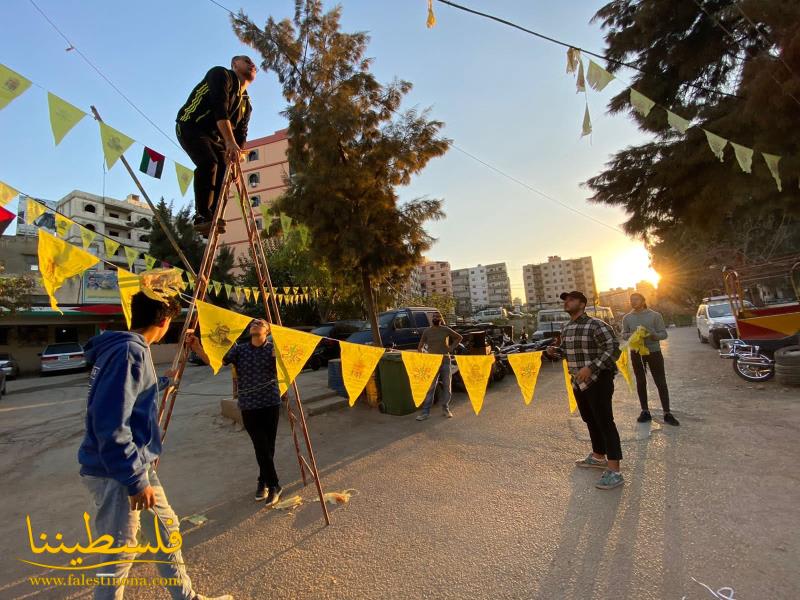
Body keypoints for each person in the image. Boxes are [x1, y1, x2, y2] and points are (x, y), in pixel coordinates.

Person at [78, 292, 231, 600]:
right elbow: (110, 423)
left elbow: (129, 395)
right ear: (164, 321)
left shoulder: (126, 348)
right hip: (119, 471)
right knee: (119, 554)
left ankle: (185, 596)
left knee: (166, 528)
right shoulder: (128, 351)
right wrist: (135, 481)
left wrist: (161, 383)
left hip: (136, 464)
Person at [187, 319, 283, 506]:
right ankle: (274, 485)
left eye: (260, 322)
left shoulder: (274, 350)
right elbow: (215, 362)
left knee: (268, 447)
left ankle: (262, 481)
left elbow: (291, 367)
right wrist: (197, 348)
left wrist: (279, 358)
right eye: (253, 323)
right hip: (248, 406)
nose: (255, 323)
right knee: (260, 446)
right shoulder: (239, 350)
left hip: (270, 403)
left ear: (268, 330)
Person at [547, 291, 624, 490]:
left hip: (598, 380)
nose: (566, 302)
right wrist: (555, 352)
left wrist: (591, 367)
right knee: (590, 419)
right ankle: (598, 456)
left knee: (605, 421)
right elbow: (567, 351)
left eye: (571, 299)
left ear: (582, 304)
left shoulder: (596, 325)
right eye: (565, 300)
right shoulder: (566, 328)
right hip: (577, 382)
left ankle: (614, 471)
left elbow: (614, 349)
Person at [176, 55, 257, 235]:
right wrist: (229, 142)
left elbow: (241, 134)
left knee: (225, 169)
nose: (252, 64)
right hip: (191, 125)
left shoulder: (246, 104)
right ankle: (202, 215)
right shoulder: (221, 74)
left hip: (216, 138)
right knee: (209, 162)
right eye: (246, 60)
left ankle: (214, 215)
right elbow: (220, 109)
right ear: (234, 64)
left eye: (253, 63)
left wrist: (236, 158)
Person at [622, 293, 680, 426]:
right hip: (636, 353)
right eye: (631, 300)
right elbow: (624, 335)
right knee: (641, 381)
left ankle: (667, 413)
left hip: (654, 352)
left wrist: (653, 335)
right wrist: (633, 335)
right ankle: (645, 411)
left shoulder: (655, 315)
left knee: (660, 381)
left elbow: (663, 334)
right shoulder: (627, 318)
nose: (633, 302)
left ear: (643, 301)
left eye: (636, 299)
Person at [416, 315, 463, 421]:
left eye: (438, 317)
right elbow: (420, 345)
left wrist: (451, 348)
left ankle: (445, 408)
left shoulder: (445, 329)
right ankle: (425, 412)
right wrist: (422, 353)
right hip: (432, 362)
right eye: (434, 317)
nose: (436, 319)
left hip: (445, 360)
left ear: (441, 319)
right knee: (431, 387)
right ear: (432, 319)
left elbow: (459, 337)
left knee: (447, 386)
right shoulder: (427, 331)